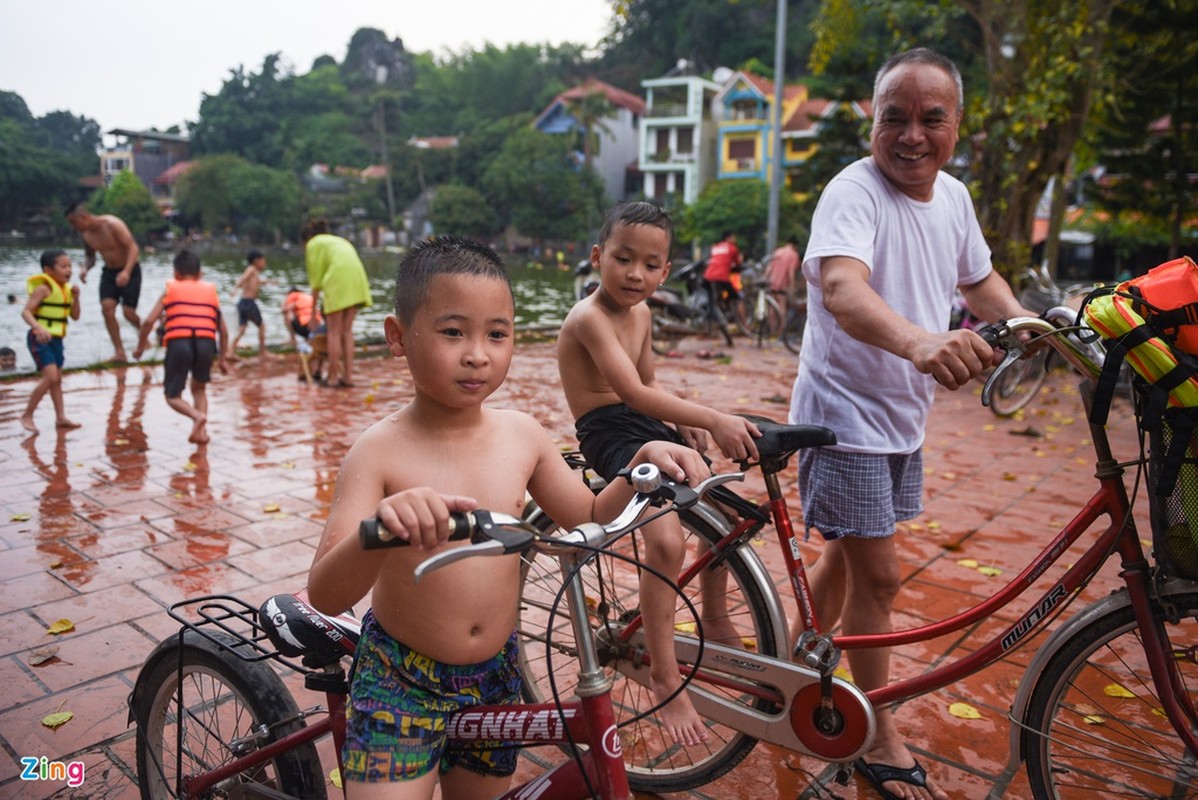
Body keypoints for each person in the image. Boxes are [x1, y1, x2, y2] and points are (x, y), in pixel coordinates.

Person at [306, 234, 708, 800]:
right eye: (453, 332)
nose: (478, 353)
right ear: (398, 336)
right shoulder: (379, 451)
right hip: (402, 681)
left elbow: (588, 515)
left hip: (495, 676)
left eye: (497, 334)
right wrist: (379, 532)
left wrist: (639, 466)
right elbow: (324, 592)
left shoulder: (522, 435)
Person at [788, 48, 1029, 800]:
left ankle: (798, 662)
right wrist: (923, 341)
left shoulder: (952, 197)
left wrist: (1030, 324)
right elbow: (841, 289)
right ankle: (876, 732)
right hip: (844, 418)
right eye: (895, 116)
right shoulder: (852, 191)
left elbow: (977, 277)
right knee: (881, 574)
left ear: (957, 125)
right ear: (873, 119)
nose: (912, 134)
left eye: (932, 118)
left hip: (901, 416)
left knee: (847, 559)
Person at [556, 200, 761, 745]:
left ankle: (714, 616)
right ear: (598, 257)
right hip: (610, 434)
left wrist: (682, 424)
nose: (635, 274)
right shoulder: (589, 318)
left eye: (650, 265)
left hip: (643, 423)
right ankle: (666, 677)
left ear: (665, 271)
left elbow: (651, 390)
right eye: (623, 259)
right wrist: (712, 417)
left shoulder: (642, 313)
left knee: (723, 512)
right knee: (666, 543)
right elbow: (630, 393)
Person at [132, 250, 229, 444]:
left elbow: (148, 322)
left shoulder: (170, 289)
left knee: (172, 396)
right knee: (199, 388)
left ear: (175, 273)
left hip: (179, 343)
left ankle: (196, 417)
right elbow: (224, 331)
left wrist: (141, 346)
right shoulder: (210, 291)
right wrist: (223, 359)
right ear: (200, 273)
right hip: (206, 343)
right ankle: (200, 433)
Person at [64, 202, 141, 363]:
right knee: (107, 309)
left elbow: (133, 248)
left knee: (128, 313)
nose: (74, 228)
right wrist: (85, 268)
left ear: (83, 217)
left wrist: (126, 271)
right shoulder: (86, 234)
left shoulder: (113, 224)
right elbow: (91, 256)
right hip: (109, 272)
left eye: (74, 223)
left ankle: (144, 335)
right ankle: (120, 352)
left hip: (130, 269)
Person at [300, 218, 372, 388]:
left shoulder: (313, 244)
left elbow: (316, 283)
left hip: (338, 279)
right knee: (346, 331)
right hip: (357, 277)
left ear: (306, 239)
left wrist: (312, 315)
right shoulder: (337, 240)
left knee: (334, 331)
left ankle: (332, 377)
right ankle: (347, 377)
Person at [20, 249, 81, 433]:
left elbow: (75, 316)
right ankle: (27, 415)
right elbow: (26, 311)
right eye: (63, 266)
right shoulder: (43, 288)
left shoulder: (68, 290)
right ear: (48, 270)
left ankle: (60, 417)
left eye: (69, 266)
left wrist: (77, 298)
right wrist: (38, 327)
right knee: (51, 377)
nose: (68, 270)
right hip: (40, 338)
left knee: (57, 380)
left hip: (57, 339)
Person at [282, 285, 325, 381]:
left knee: (305, 348)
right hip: (319, 334)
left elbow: (284, 310)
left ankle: (292, 339)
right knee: (320, 345)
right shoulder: (307, 296)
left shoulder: (292, 296)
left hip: (305, 327)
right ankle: (318, 370)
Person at [230, 249, 268, 358]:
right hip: (248, 303)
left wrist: (269, 282)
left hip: (243, 302)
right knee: (262, 326)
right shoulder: (251, 269)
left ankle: (231, 351)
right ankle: (263, 352)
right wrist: (235, 289)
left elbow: (257, 282)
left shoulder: (254, 272)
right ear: (256, 261)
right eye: (263, 261)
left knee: (242, 328)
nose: (264, 264)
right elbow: (242, 278)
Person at [702, 230, 743, 319]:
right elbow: (738, 264)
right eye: (733, 237)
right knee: (736, 297)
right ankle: (739, 320)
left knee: (712, 300)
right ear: (728, 238)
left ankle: (711, 320)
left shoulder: (715, 247)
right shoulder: (732, 248)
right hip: (721, 278)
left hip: (707, 277)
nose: (735, 239)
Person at [766, 235, 802, 301]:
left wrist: (765, 279)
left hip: (771, 285)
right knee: (782, 308)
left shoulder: (777, 251)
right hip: (783, 288)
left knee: (772, 308)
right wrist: (792, 288)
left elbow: (769, 268)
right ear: (795, 245)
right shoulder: (794, 254)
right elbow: (791, 273)